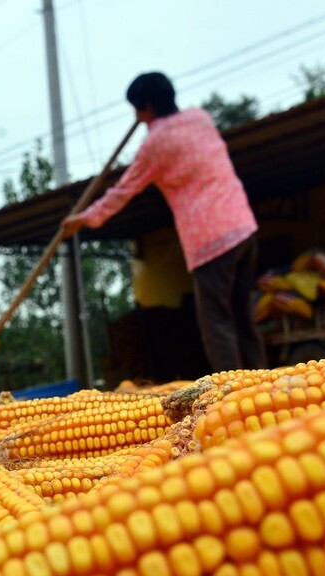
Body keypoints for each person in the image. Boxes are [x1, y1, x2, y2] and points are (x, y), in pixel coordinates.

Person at [63, 71, 267, 374]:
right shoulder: (200, 118)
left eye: (137, 109)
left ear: (147, 107)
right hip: (243, 229)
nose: (137, 117)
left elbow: (122, 192)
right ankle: (264, 382)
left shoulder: (155, 144)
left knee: (217, 324)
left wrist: (83, 219)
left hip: (211, 242)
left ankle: (233, 392)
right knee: (242, 317)